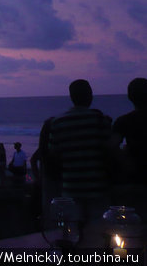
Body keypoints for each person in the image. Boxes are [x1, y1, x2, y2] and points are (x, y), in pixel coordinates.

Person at [48, 79, 112, 218]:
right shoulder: (99, 119)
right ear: (90, 95)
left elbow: (54, 154)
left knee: (74, 230)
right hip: (97, 186)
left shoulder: (58, 122)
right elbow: (109, 149)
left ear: (71, 97)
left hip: (70, 186)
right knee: (98, 230)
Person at [112, 77, 147, 182]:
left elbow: (112, 146)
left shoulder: (124, 121)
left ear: (130, 97)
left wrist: (126, 162)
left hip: (135, 178)